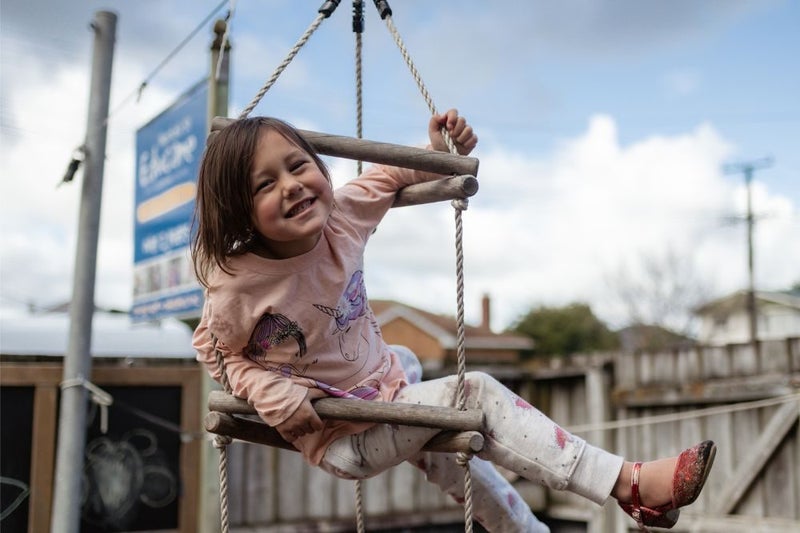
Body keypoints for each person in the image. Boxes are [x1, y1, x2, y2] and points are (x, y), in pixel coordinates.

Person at [191, 110, 716, 532]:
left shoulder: (344, 217)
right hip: (344, 436)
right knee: (473, 395)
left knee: (418, 381)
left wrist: (440, 153)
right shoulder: (240, 283)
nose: (291, 185)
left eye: (298, 165)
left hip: (387, 394)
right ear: (239, 210)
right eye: (265, 184)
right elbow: (213, 350)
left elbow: (394, 171)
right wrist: (269, 393)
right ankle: (628, 483)